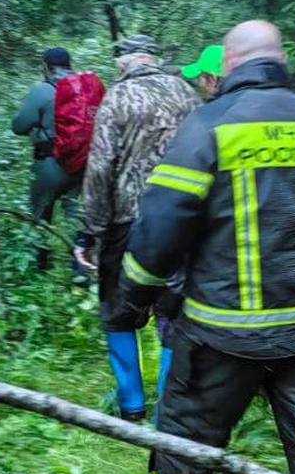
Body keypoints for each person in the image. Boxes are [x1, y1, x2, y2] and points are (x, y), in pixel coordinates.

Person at [109, 20, 295, 474]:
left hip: (221, 335)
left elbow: (159, 230)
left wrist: (133, 301)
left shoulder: (207, 127)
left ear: (227, 65)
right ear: (282, 62)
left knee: (181, 459)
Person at [75, 34, 201, 422]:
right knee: (175, 310)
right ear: (154, 58)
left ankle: (131, 404)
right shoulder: (187, 94)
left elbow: (100, 168)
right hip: (182, 218)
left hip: (127, 222)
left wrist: (90, 230)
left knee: (118, 309)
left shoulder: (117, 98)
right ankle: (168, 402)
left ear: (123, 62)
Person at [11, 47, 86, 281]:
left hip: (49, 163)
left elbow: (19, 126)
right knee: (75, 215)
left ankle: (41, 270)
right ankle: (81, 272)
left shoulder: (43, 90)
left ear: (46, 66)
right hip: (80, 163)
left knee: (41, 215)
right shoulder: (83, 87)